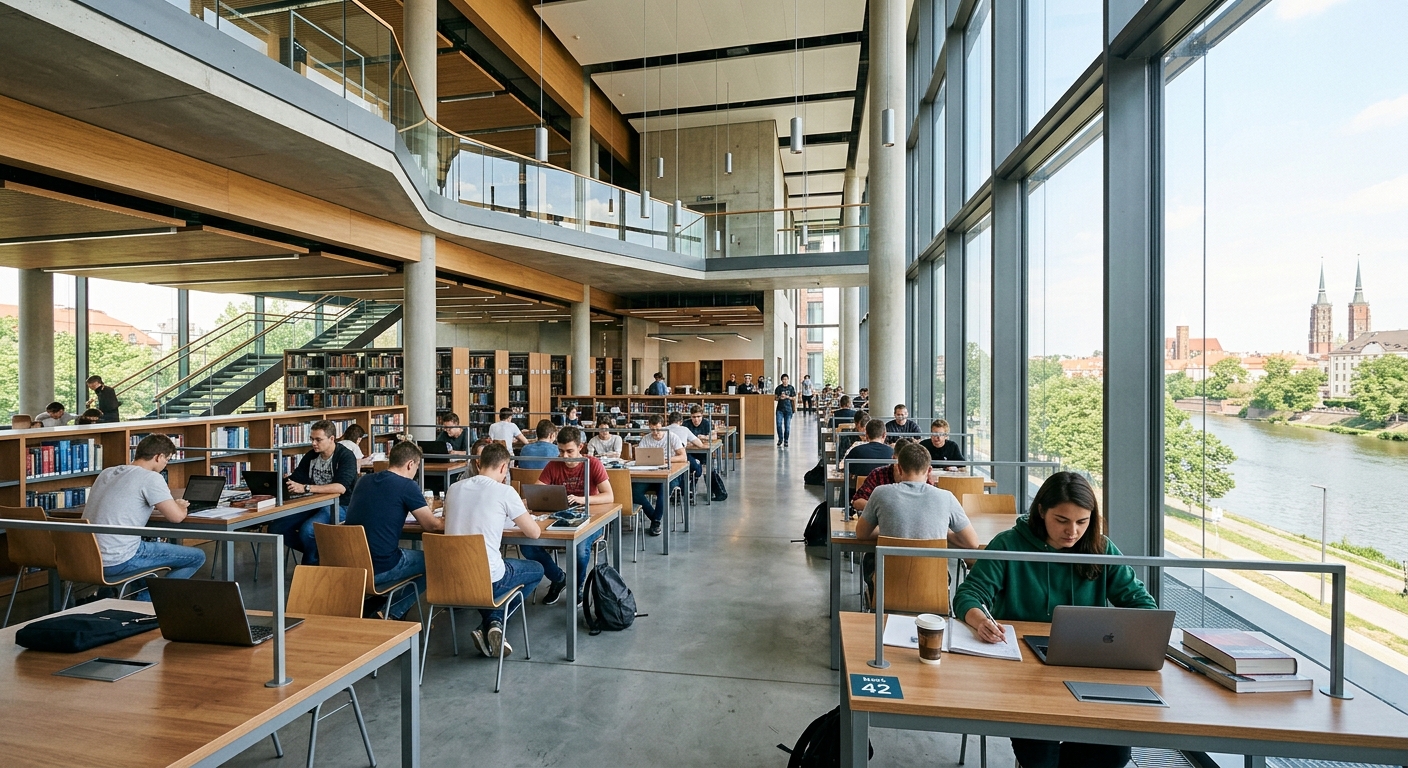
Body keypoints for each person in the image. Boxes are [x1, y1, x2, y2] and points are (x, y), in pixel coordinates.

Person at [954, 472, 1156, 768]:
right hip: (1024, 676)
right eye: (1062, 520)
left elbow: (1142, 606)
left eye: (1082, 522)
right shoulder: (1009, 545)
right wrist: (979, 619)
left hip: (1089, 669)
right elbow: (969, 594)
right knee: (1040, 756)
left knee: (1114, 754)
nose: (1072, 531)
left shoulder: (1100, 548)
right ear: (1041, 511)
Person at [443, 443, 545, 658]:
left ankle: (491, 624)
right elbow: (534, 533)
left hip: (450, 578)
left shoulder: (454, 488)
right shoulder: (504, 491)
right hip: (488, 578)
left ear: (478, 463)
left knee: (493, 569)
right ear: (503, 467)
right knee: (536, 569)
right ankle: (493, 622)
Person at [83, 434, 206, 599]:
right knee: (197, 557)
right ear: (158, 457)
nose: (165, 464)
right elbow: (176, 517)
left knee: (140, 545)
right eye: (167, 459)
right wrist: (181, 506)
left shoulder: (107, 472)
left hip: (85, 558)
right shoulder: (151, 478)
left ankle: (117, 597)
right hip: (116, 560)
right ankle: (145, 604)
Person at [855, 442, 979, 586]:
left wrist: (888, 529)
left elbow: (861, 534)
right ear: (929, 471)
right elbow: (972, 542)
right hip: (933, 587)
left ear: (899, 469)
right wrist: (941, 531)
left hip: (887, 585)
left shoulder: (880, 493)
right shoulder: (947, 497)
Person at [344, 441, 442, 619]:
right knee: (435, 562)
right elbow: (431, 525)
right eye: (417, 468)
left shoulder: (364, 480)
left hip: (349, 563)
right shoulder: (407, 485)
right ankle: (392, 612)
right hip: (380, 566)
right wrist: (449, 519)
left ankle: (381, 602)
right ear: (410, 464)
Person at [524, 426, 614, 605]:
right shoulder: (554, 464)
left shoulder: (592, 463)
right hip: (558, 518)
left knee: (580, 550)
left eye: (569, 451)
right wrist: (522, 502)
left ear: (580, 447)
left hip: (590, 520)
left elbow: (609, 496)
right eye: (561, 451)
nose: (564, 456)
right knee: (527, 547)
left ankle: (577, 586)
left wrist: (582, 499)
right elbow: (537, 490)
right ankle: (559, 578)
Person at [268, 419, 358, 565]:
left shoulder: (345, 456)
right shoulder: (311, 456)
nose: (313, 443)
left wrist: (306, 488)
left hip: (341, 505)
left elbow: (340, 488)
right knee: (276, 528)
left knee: (308, 531)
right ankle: (321, 554)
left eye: (318, 440)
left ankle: (311, 565)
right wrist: (284, 481)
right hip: (313, 503)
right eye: (312, 439)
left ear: (331, 439)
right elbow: (297, 478)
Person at [631, 414, 688, 537]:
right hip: (650, 473)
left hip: (669, 473)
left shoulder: (672, 437)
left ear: (663, 426)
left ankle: (655, 521)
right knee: (634, 491)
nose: (655, 432)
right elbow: (640, 456)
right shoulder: (646, 439)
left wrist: (666, 460)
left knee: (664, 490)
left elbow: (683, 457)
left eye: (658, 429)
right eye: (652, 429)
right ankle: (655, 519)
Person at [851, 438, 918, 512]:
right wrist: (883, 508)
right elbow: (857, 502)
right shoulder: (878, 475)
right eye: (902, 464)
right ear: (893, 459)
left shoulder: (919, 477)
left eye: (910, 465)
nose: (906, 469)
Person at [666, 412, 705, 488]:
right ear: (681, 422)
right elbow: (700, 444)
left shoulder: (662, 430)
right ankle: (689, 487)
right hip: (680, 458)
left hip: (665, 458)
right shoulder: (684, 429)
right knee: (697, 466)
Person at [774, 373, 797, 448]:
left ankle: (786, 440)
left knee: (787, 426)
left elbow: (794, 398)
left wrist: (787, 397)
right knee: (779, 424)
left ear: (788, 380)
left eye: (786, 379)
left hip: (788, 409)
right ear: (781, 380)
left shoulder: (791, 388)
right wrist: (780, 397)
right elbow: (775, 398)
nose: (785, 381)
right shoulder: (778, 388)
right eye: (783, 379)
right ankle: (780, 439)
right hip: (780, 409)